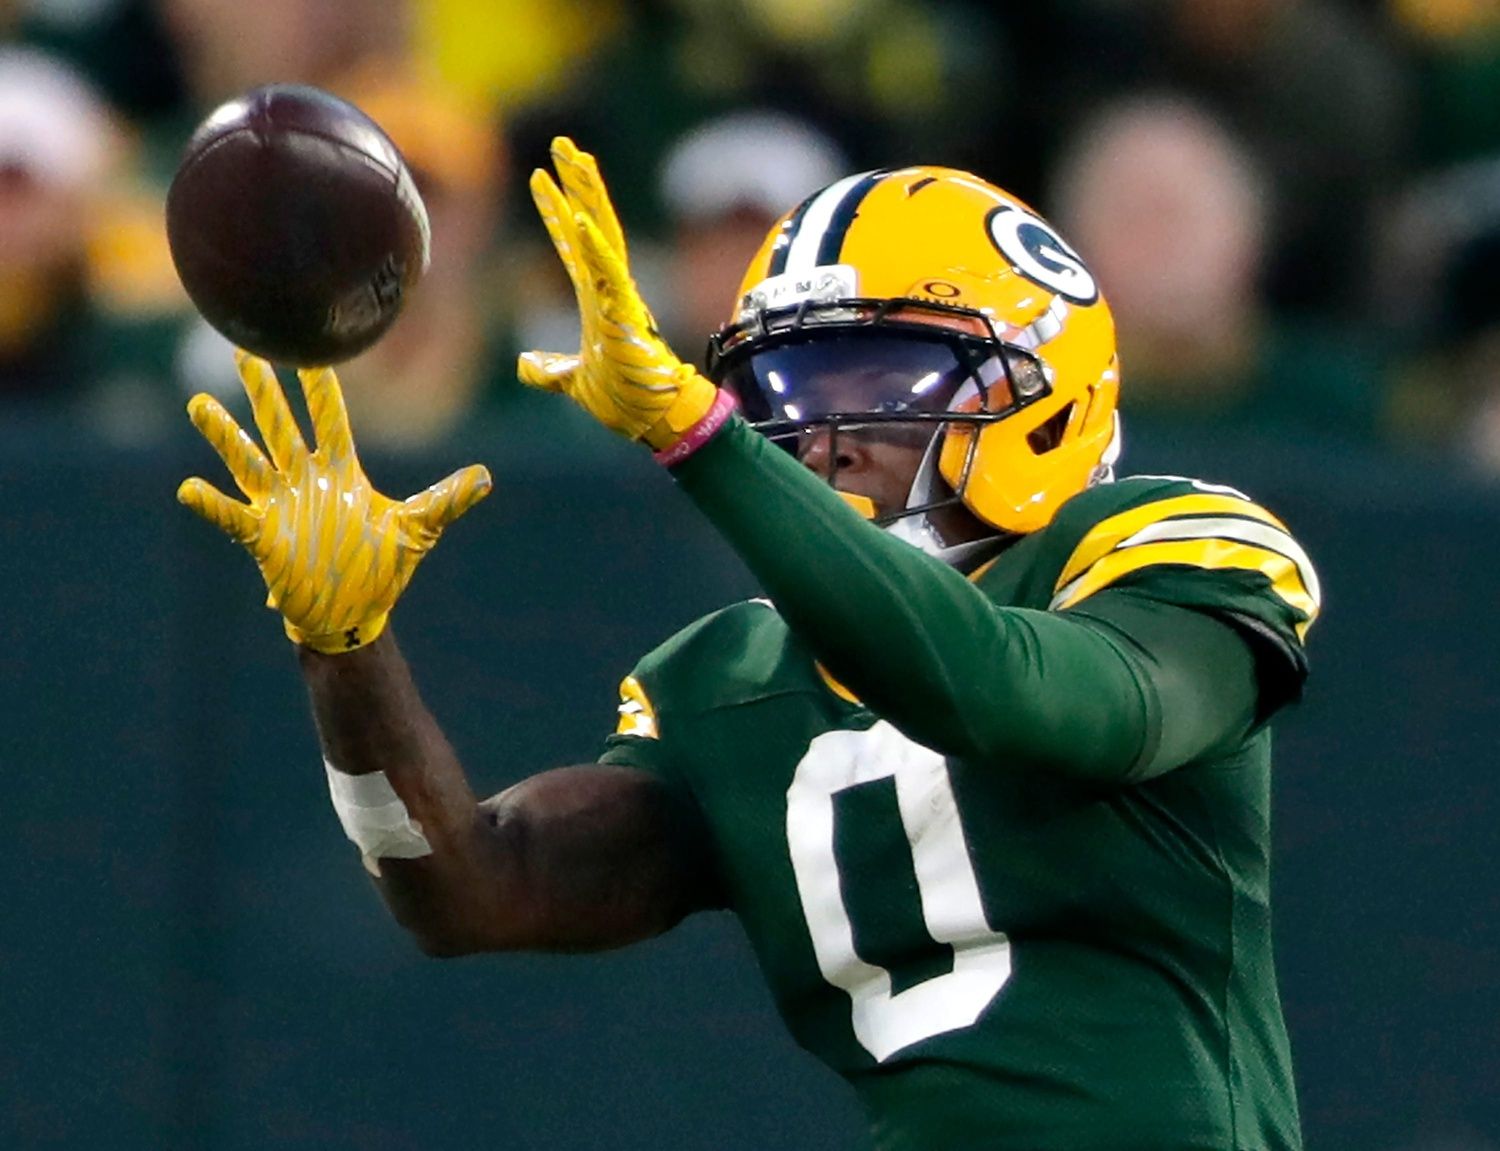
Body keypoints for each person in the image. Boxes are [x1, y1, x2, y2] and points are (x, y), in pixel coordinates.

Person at [178, 138, 1321, 1150]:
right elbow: (474, 888)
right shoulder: (734, 676)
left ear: (1047, 386)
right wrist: (345, 648)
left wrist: (700, 433)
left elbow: (998, 692)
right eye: (782, 385)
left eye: (877, 380)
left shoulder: (1159, 548)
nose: (819, 438)